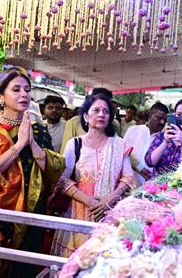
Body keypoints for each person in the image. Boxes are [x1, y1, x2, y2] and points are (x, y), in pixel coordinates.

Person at [0, 68, 65, 277]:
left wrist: (32, 143)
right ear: (0, 96)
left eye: (27, 89)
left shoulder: (38, 129)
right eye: (16, 90)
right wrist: (18, 146)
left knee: (26, 267)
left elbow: (52, 171)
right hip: (0, 212)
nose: (24, 94)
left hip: (33, 208)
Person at [51, 94, 133, 257]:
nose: (101, 114)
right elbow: (62, 180)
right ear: (86, 116)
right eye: (96, 110)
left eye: (105, 111)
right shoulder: (75, 144)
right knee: (76, 262)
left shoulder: (119, 144)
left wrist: (110, 198)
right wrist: (90, 202)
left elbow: (128, 177)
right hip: (78, 211)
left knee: (104, 261)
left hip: (110, 212)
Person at [145, 99, 182, 175]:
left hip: (181, 185)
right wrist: (165, 142)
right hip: (157, 185)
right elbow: (150, 161)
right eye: (179, 114)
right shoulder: (164, 135)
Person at [59, 87, 119, 153]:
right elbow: (65, 152)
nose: (101, 114)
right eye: (96, 109)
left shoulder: (113, 124)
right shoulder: (74, 122)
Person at [124, 103, 169, 185]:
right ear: (150, 116)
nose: (162, 122)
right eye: (159, 118)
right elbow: (124, 154)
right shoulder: (132, 131)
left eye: (165, 119)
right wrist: (140, 168)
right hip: (129, 184)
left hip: (153, 188)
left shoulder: (166, 139)